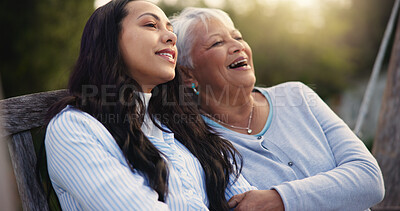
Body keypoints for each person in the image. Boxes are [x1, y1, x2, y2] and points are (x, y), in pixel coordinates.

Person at [44, 1, 255, 210]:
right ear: (109, 40)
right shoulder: (74, 127)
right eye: (151, 25)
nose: (171, 37)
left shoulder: (182, 127)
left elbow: (250, 202)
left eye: (170, 30)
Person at [171, 7, 385, 211]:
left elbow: (370, 178)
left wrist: (279, 200)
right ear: (188, 74)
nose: (238, 47)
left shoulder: (297, 95)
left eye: (237, 37)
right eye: (217, 43)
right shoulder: (193, 143)